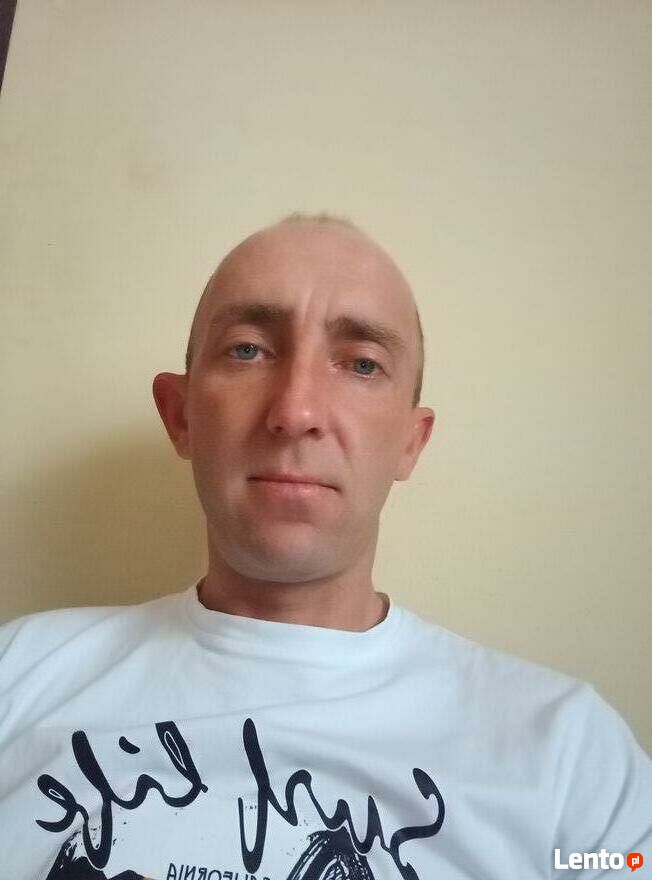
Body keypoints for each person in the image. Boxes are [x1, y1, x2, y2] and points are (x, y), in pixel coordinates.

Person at [0, 214, 649, 880]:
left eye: (362, 364)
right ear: (180, 414)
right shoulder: (17, 677)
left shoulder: (571, 758)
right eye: (247, 350)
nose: (296, 411)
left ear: (411, 442)